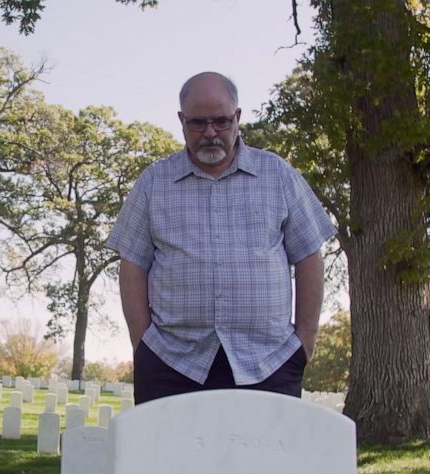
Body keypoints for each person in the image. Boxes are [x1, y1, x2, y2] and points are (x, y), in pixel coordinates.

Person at [107, 71, 336, 404]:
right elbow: (132, 264)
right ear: (181, 121)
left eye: (221, 121)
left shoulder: (277, 175)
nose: (210, 133)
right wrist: (142, 345)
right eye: (198, 123)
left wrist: (304, 343)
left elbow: (308, 255)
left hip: (268, 362)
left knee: (262, 457)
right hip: (171, 363)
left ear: (238, 117)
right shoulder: (154, 182)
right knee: (172, 458)